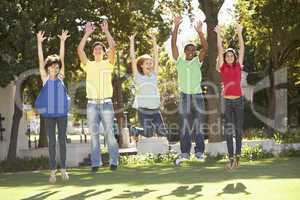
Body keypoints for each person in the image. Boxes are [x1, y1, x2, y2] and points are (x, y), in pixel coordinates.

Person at [77, 19, 119, 171]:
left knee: (109, 134)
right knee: (94, 136)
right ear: (93, 53)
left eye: (100, 49)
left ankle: (114, 162)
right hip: (92, 104)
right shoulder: (88, 65)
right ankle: (96, 164)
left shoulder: (109, 64)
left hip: (107, 103)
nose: (97, 51)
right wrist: (87, 33)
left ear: (103, 52)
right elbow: (80, 50)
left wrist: (106, 31)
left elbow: (113, 46)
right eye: (95, 50)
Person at [171, 16, 208, 165]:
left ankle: (199, 153)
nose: (191, 51)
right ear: (185, 51)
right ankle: (185, 153)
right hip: (185, 96)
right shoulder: (179, 61)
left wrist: (200, 32)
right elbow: (173, 44)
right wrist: (176, 27)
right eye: (189, 49)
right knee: (185, 125)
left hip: (198, 96)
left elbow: (205, 48)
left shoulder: (197, 62)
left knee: (199, 125)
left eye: (193, 49)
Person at [35, 30, 70, 183]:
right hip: (49, 115)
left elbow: (61, 58)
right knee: (52, 143)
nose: (54, 69)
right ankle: (52, 171)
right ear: (48, 67)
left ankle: (63, 169)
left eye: (56, 67)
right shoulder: (44, 78)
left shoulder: (61, 77)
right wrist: (39, 43)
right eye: (51, 67)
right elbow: (40, 59)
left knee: (62, 141)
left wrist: (62, 41)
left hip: (62, 113)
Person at [214, 24, 245, 169]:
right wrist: (218, 34)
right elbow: (220, 50)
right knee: (228, 131)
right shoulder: (223, 67)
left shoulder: (239, 65)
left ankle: (238, 157)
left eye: (232, 55)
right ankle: (231, 158)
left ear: (235, 57)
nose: (229, 57)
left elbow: (242, 49)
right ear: (225, 58)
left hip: (238, 101)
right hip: (227, 101)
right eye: (227, 55)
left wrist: (239, 33)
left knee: (238, 130)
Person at [129, 32, 167, 139]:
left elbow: (156, 56)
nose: (150, 65)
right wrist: (132, 42)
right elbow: (132, 58)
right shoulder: (138, 76)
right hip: (143, 110)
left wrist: (154, 40)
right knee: (149, 134)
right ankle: (135, 130)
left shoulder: (154, 75)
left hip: (155, 110)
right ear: (141, 65)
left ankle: (162, 153)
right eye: (147, 63)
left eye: (151, 63)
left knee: (162, 133)